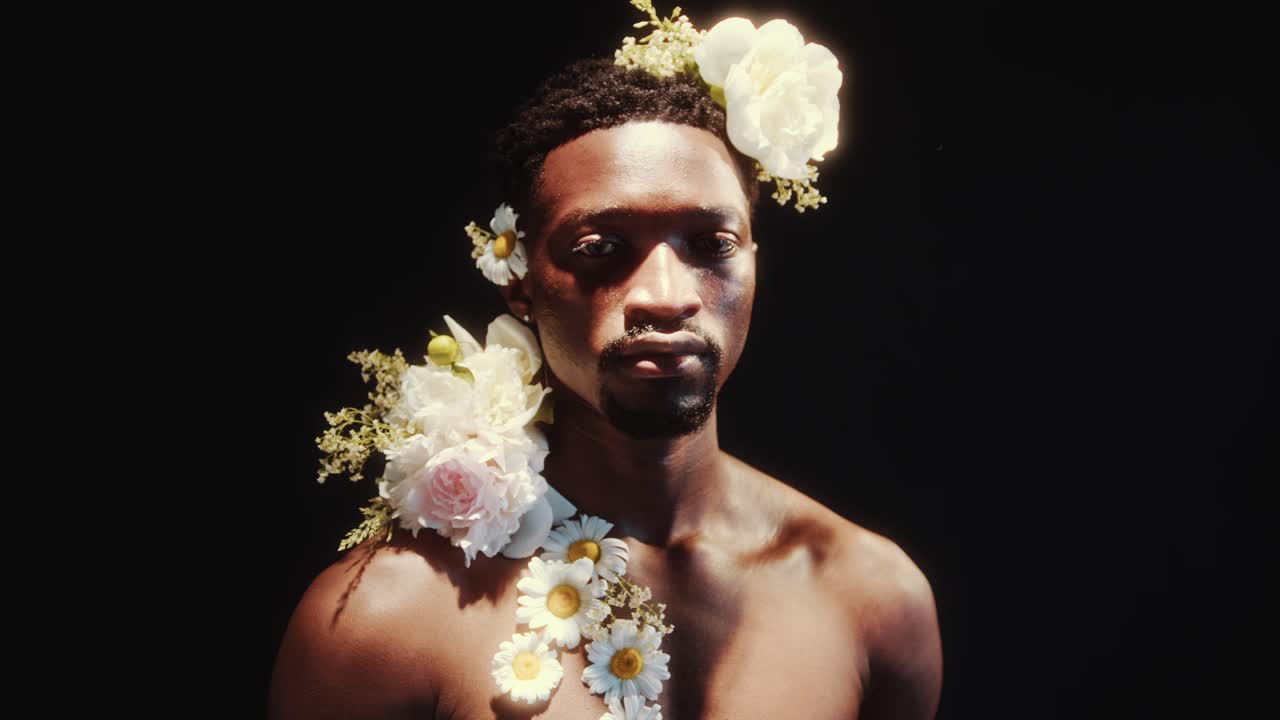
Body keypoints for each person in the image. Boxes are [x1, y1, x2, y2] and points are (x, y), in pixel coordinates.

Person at [269, 25, 942, 720]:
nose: (665, 293)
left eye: (711, 244)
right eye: (601, 248)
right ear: (521, 283)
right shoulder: (387, 620)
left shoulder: (869, 598)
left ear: (754, 261)